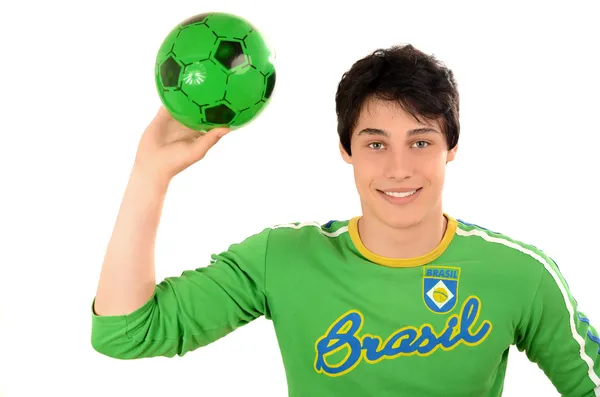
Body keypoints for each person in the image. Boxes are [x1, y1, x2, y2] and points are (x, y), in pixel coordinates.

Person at [91, 44, 600, 396]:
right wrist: (149, 174)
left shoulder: (520, 275)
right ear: (345, 150)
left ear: (452, 149)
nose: (399, 168)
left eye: (420, 141)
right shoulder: (283, 259)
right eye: (375, 143)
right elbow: (126, 332)